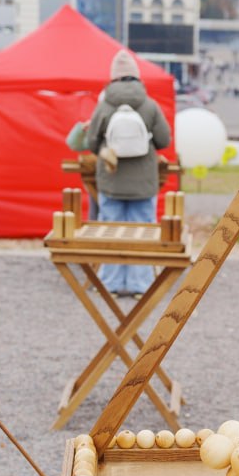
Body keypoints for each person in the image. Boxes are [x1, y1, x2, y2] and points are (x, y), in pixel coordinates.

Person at [84, 49, 172, 298]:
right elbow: (164, 139)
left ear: (113, 78)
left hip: (111, 179)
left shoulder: (104, 106)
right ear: (136, 77)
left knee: (111, 230)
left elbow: (92, 143)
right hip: (143, 182)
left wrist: (105, 147)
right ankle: (140, 285)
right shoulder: (150, 105)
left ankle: (110, 285)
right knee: (142, 231)